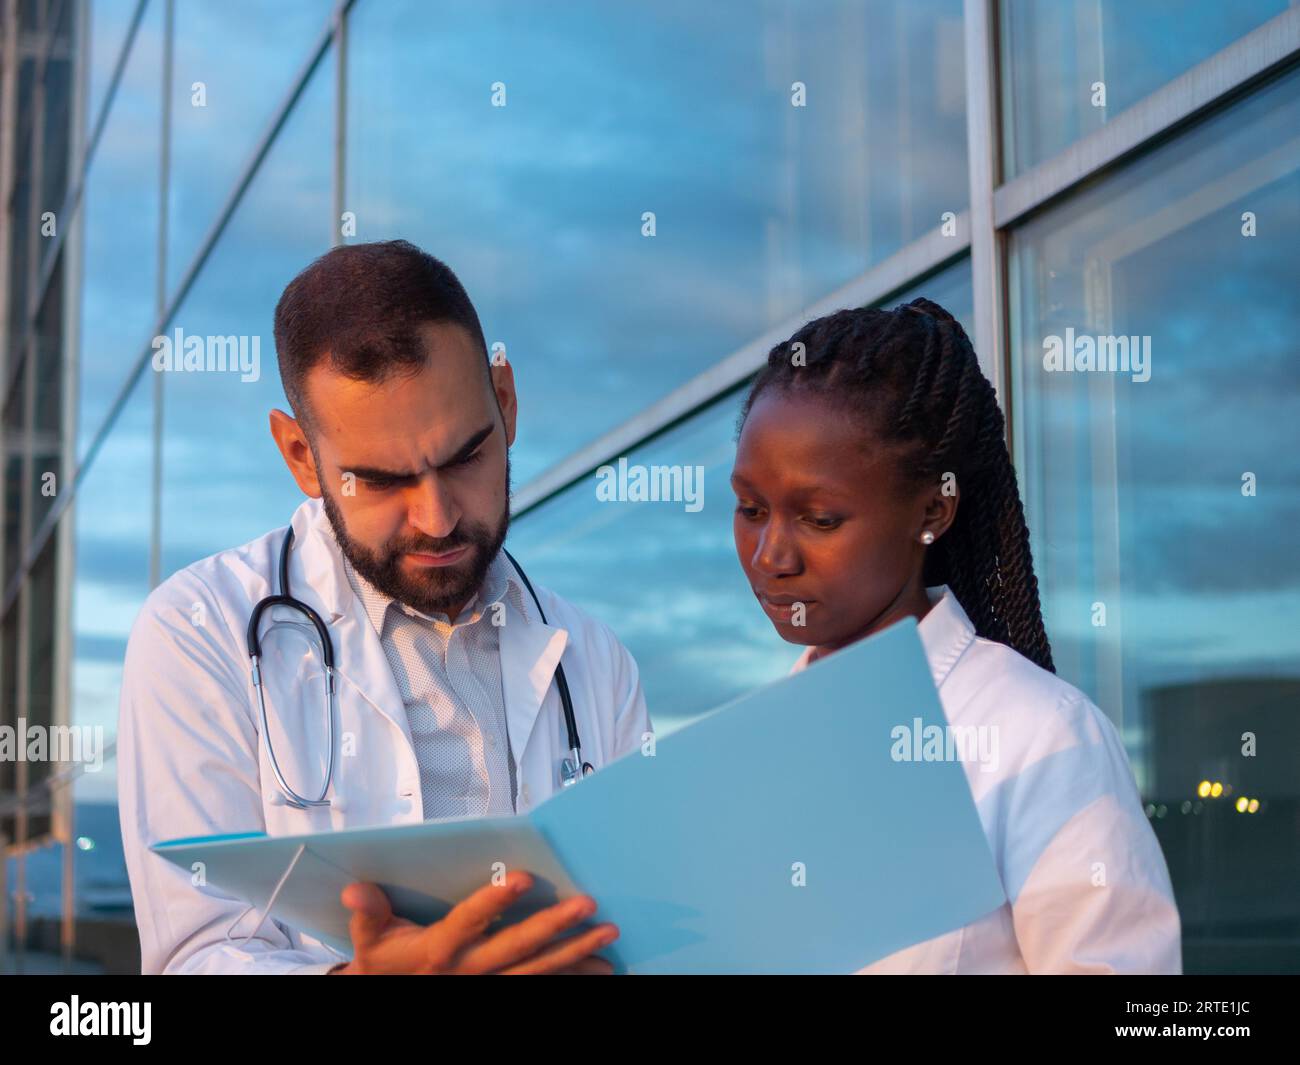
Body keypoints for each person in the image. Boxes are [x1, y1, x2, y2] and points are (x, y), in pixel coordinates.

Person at [118, 240, 651, 974]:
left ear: (507, 402)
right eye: (381, 480)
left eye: (465, 456)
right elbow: (196, 956)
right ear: (301, 456)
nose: (436, 517)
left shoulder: (595, 662)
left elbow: (644, 932)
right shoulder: (197, 631)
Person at [729, 298, 1181, 973]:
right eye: (751, 509)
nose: (770, 555)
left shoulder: (1041, 737)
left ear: (933, 510)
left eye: (818, 518)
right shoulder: (746, 758)